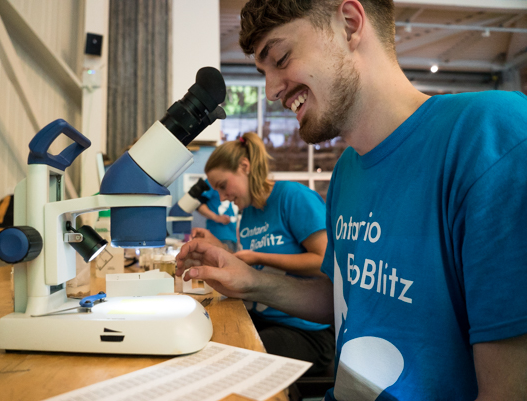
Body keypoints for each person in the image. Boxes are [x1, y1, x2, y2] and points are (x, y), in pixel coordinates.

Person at [176, 0, 527, 400]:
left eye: (280, 57)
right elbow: (341, 298)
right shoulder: (346, 171)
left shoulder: (491, 136)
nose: (272, 90)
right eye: (263, 72)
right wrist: (251, 281)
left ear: (349, 22)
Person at [193, 132, 335, 375]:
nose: (222, 197)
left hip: (308, 330)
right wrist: (220, 248)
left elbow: (326, 261)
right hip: (265, 317)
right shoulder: (248, 214)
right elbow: (252, 268)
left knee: (238, 359)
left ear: (244, 167)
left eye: (222, 186)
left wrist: (259, 257)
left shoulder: (291, 197)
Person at [194, 180, 239, 252]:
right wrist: (216, 217)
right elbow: (197, 203)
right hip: (218, 235)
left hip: (233, 236)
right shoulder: (212, 181)